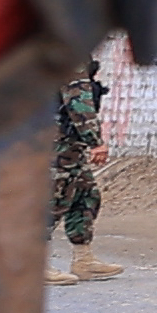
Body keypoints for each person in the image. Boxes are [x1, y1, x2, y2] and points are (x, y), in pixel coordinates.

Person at [45, 57, 106, 285]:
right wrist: (96, 141)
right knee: (52, 199)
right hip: (58, 144)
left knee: (86, 194)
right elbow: (79, 104)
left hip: (69, 143)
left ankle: (84, 260)